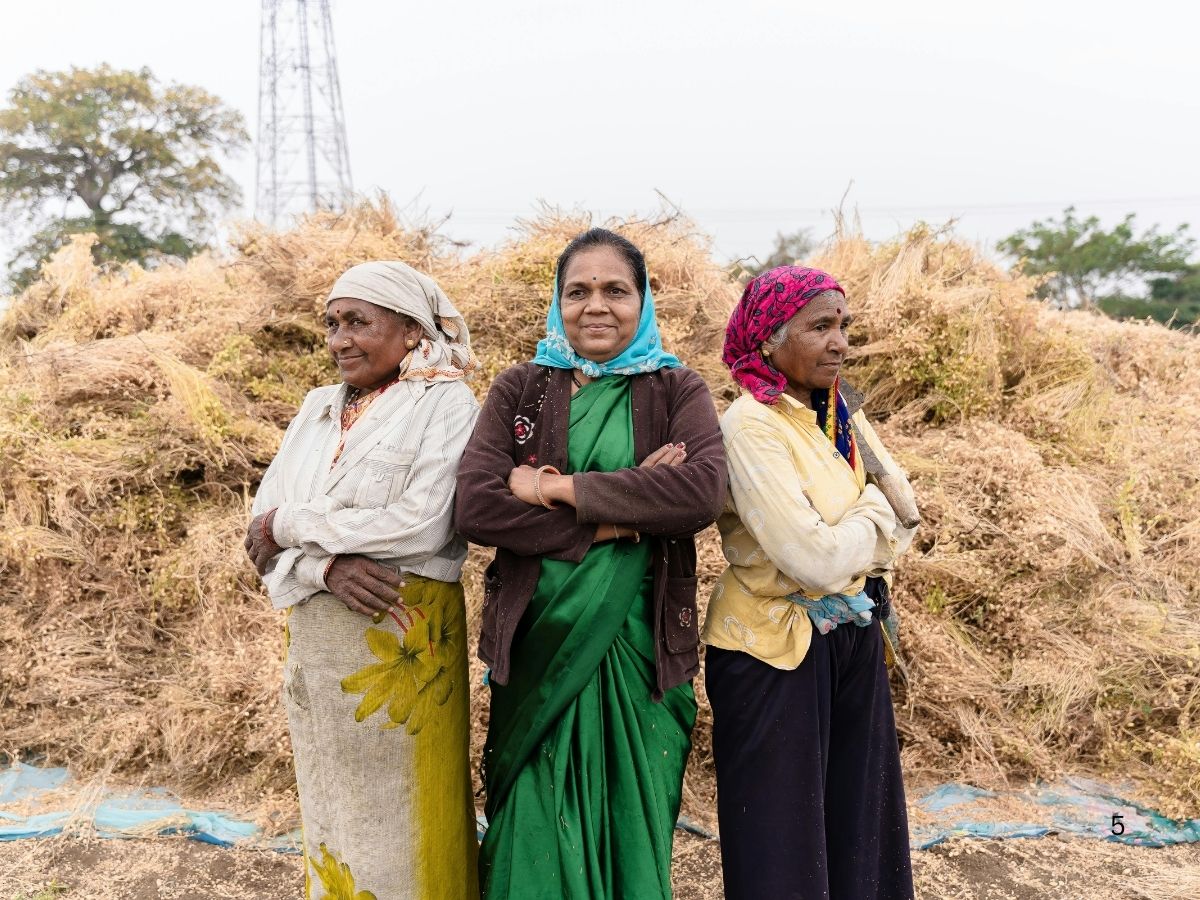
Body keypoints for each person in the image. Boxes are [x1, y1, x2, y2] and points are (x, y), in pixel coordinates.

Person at [455, 228, 726, 899]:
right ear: (558, 301)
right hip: (539, 642)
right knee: (534, 825)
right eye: (578, 291)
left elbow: (699, 494)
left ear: (644, 300)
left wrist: (553, 487)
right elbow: (478, 506)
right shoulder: (520, 390)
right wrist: (618, 518)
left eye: (615, 290)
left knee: (629, 822)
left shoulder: (674, 390)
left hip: (639, 647)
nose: (595, 306)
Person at [243, 260, 480, 900]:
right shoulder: (318, 408)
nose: (340, 339)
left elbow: (422, 524)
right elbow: (254, 532)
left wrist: (291, 524)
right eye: (332, 324)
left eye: (358, 322)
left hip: (402, 632)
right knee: (331, 804)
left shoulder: (446, 401)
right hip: (318, 636)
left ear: (410, 330)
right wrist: (323, 565)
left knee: (403, 816)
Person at [702, 265, 918, 900]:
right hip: (772, 647)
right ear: (769, 336)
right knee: (782, 842)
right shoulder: (750, 425)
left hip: (850, 632)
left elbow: (908, 505)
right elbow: (814, 559)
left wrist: (864, 525)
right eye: (819, 326)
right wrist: (875, 518)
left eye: (843, 326)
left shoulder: (835, 410)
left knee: (859, 827)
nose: (839, 342)